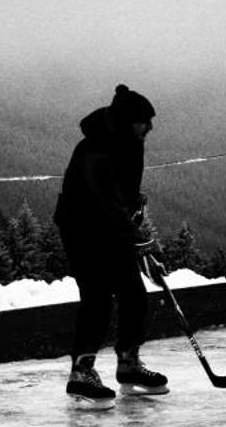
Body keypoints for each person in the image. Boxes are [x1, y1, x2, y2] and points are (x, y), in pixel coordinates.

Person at [53, 84, 168, 404]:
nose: (150, 127)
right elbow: (104, 202)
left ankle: (128, 364)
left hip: (113, 228)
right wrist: (141, 241)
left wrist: (137, 209)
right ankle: (81, 372)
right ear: (126, 120)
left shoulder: (131, 143)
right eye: (144, 121)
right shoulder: (94, 150)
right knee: (97, 297)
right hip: (82, 230)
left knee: (133, 292)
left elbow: (124, 193)